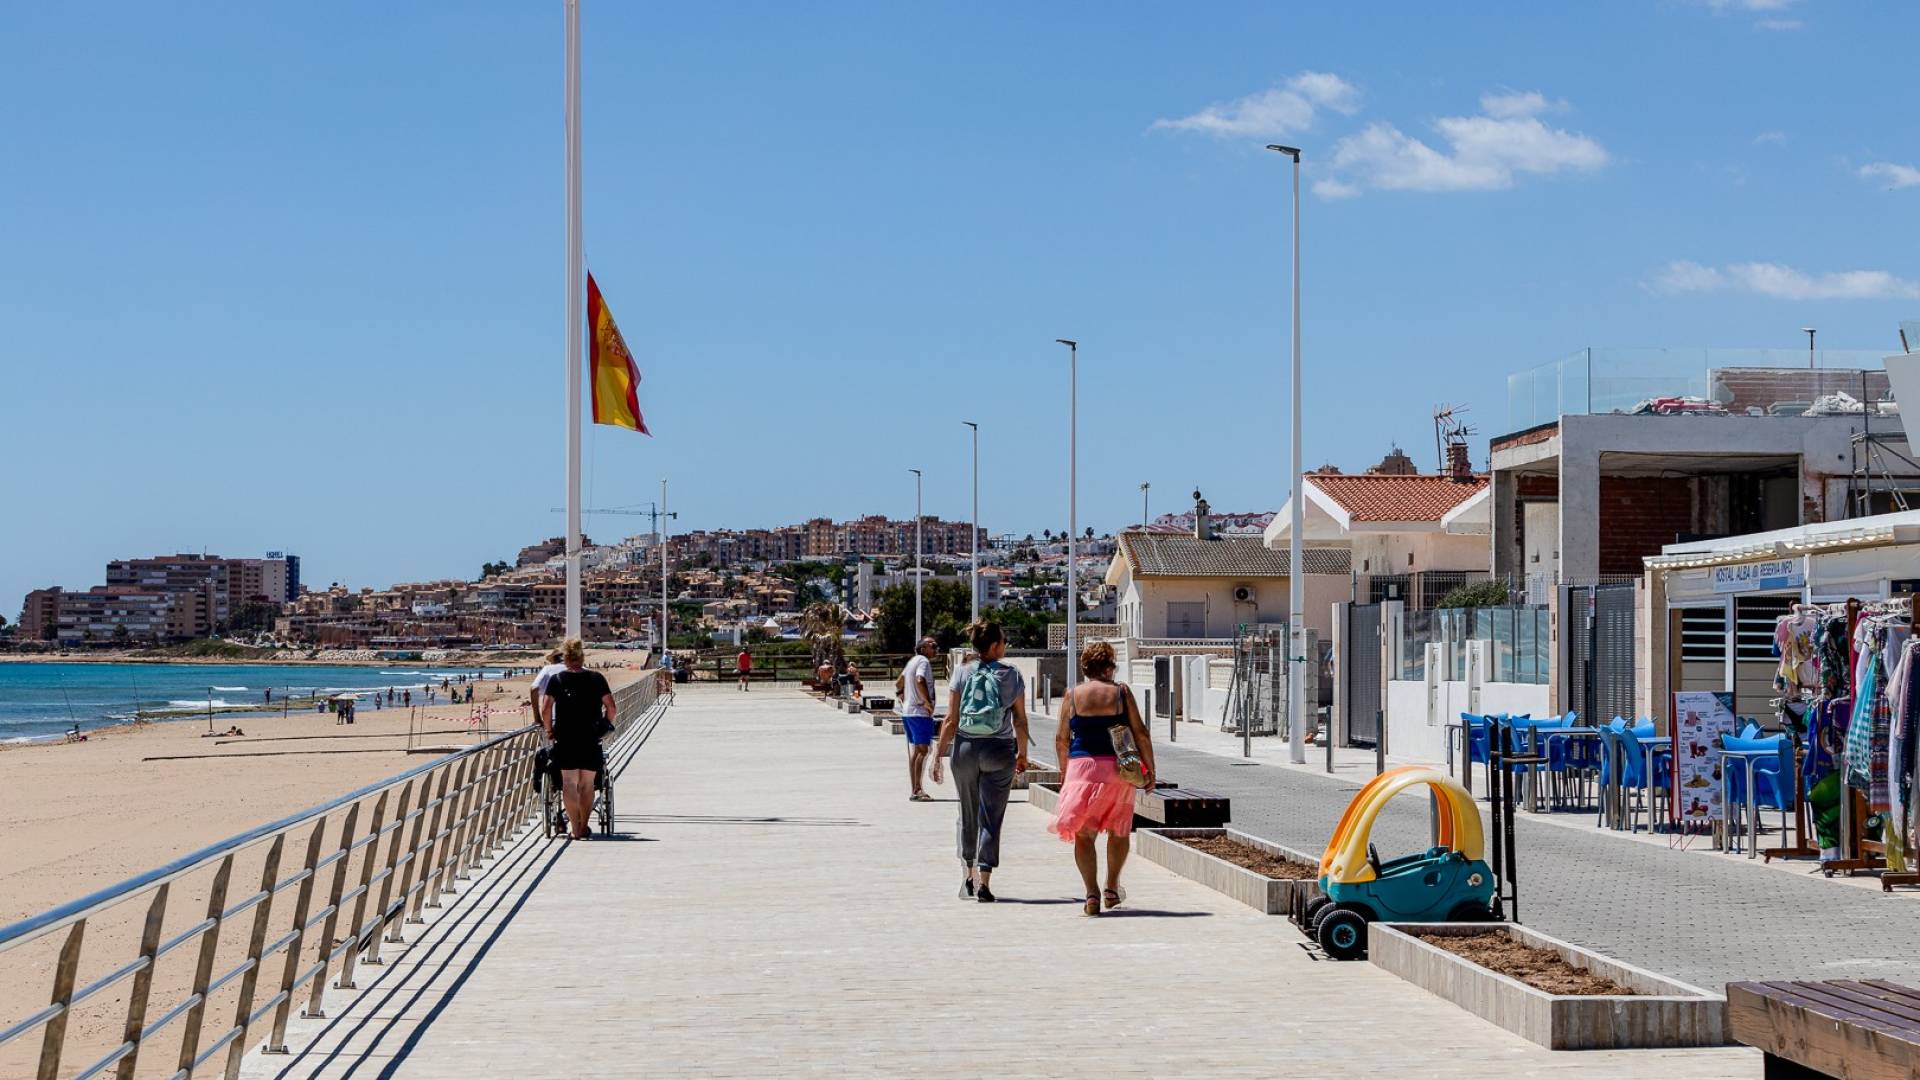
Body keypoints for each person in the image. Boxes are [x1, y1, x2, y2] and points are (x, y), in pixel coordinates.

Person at [1051, 640, 1155, 916]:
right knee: (1119, 830)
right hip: (1117, 770)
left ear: (1085, 667)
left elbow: (1062, 739)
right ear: (1109, 667)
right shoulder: (1121, 692)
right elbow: (1141, 733)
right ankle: (1111, 887)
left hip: (1081, 768)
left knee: (1084, 835)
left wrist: (1065, 775)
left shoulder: (1072, 695)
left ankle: (1091, 895)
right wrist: (1150, 770)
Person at [931, 619, 1029, 902]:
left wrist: (938, 755)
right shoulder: (1012, 675)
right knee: (991, 817)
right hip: (999, 750)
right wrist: (1022, 754)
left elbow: (950, 719)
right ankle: (985, 880)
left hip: (965, 748)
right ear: (996, 646)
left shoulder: (962, 672)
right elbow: (1021, 721)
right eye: (1004, 641)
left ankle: (968, 876)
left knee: (967, 811)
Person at [541, 638, 616, 839]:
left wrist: (549, 731)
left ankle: (576, 828)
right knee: (587, 784)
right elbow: (611, 707)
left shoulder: (556, 680)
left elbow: (546, 708)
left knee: (568, 783)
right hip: (590, 738)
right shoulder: (596, 678)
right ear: (582, 657)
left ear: (565, 659)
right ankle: (584, 824)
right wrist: (604, 725)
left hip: (565, 738)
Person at [896, 637, 940, 801]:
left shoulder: (912, 661)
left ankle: (915, 789)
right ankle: (917, 790)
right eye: (932, 646)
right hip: (919, 712)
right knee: (922, 750)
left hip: (908, 712)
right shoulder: (923, 662)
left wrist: (901, 696)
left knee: (916, 752)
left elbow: (899, 682)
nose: (936, 649)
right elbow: (920, 680)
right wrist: (927, 703)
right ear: (922, 648)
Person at [529, 648, 566, 724]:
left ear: (553, 660)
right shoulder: (583, 670)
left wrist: (537, 718)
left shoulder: (548, 669)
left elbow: (534, 689)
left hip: (556, 719)